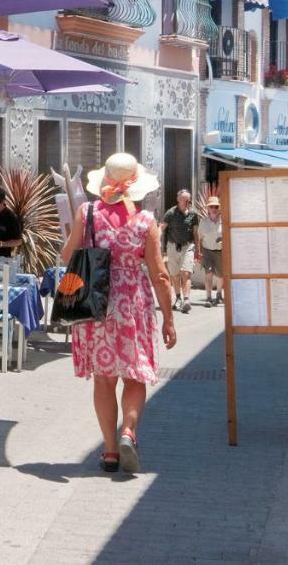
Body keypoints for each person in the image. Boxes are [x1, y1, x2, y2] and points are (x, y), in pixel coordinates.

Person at [62, 153, 176, 474]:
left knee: (104, 378)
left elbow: (67, 256)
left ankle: (110, 452)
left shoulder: (87, 213)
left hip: (95, 302)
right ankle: (129, 431)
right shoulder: (145, 221)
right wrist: (169, 318)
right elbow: (160, 275)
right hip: (133, 304)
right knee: (135, 374)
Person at [160, 189, 199, 314]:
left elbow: (195, 233)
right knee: (175, 275)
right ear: (178, 199)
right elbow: (161, 228)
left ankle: (186, 300)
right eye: (183, 199)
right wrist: (155, 240)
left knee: (186, 272)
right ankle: (177, 298)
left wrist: (198, 250)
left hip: (188, 246)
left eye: (188, 199)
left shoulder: (193, 214)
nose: (186, 202)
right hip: (172, 247)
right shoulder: (171, 213)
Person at [197, 196, 224, 307]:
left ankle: (218, 295)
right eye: (211, 207)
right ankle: (208, 297)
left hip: (220, 251)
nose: (214, 209)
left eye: (216, 207)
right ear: (208, 209)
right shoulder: (203, 222)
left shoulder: (224, 221)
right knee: (208, 274)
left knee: (220, 275)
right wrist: (198, 253)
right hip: (207, 250)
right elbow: (199, 238)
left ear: (219, 208)